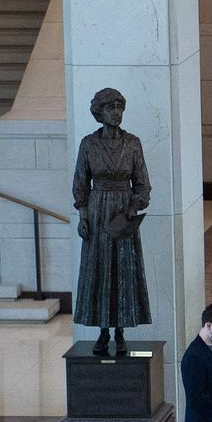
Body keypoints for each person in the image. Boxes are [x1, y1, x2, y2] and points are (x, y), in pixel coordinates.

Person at [72, 87, 153, 357]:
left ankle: (120, 331)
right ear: (100, 112)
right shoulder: (88, 144)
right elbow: (80, 183)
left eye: (119, 108)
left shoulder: (133, 143)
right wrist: (83, 217)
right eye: (110, 108)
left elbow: (143, 184)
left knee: (123, 271)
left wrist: (133, 207)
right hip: (97, 212)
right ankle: (102, 330)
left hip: (124, 213)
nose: (116, 113)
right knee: (99, 270)